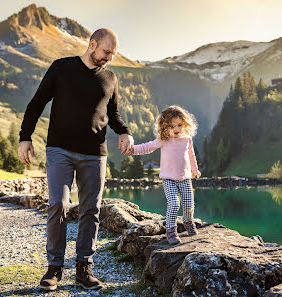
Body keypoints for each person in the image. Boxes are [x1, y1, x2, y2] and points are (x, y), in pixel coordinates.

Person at [17, 28, 134, 291]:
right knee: (58, 203)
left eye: (113, 54)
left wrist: (125, 132)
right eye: (106, 52)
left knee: (90, 209)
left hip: (95, 153)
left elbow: (112, 114)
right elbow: (36, 103)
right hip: (60, 149)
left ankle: (84, 268)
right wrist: (25, 137)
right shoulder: (62, 68)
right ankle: (54, 268)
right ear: (92, 44)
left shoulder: (110, 78)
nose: (110, 58)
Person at [132, 105, 201, 244]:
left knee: (188, 204)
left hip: (185, 178)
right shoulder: (163, 140)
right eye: (172, 126)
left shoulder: (187, 139)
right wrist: (132, 149)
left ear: (185, 124)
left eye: (180, 125)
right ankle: (171, 231)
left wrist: (195, 169)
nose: (176, 129)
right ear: (164, 126)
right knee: (174, 203)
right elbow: (147, 147)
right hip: (168, 179)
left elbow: (191, 156)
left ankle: (188, 222)